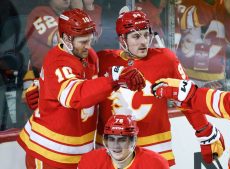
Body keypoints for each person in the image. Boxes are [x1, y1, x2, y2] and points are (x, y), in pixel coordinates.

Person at [25, 8, 225, 166]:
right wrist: (42, 89)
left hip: (154, 151)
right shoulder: (103, 59)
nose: (144, 42)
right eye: (136, 37)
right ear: (122, 40)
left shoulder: (165, 59)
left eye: (146, 35)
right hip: (111, 153)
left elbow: (187, 98)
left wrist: (205, 131)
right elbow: (79, 83)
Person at [17, 8, 145, 169]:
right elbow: (75, 95)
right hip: (48, 153)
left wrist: (122, 74)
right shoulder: (58, 61)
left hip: (77, 153)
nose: (88, 46)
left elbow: (93, 84)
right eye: (82, 42)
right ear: (66, 39)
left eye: (89, 40)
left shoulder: (89, 55)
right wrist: (113, 80)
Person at [175, 0, 230, 81]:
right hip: (183, 75)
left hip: (216, 80)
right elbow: (177, 24)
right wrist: (212, 6)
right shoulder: (183, 2)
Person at [78, 114, 170, 169]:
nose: (115, 145)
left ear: (133, 141)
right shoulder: (90, 162)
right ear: (105, 141)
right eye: (111, 139)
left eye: (122, 140)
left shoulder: (155, 164)